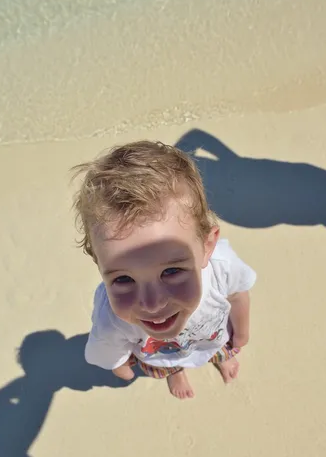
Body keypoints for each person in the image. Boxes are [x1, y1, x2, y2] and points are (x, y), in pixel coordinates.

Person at [72, 140, 256, 399]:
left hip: (212, 337)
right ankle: (177, 372)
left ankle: (220, 358)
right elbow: (109, 349)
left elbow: (238, 295)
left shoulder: (222, 267)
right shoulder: (109, 317)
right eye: (124, 278)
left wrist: (242, 334)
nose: (152, 303)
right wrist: (121, 367)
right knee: (171, 362)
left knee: (221, 347)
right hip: (161, 357)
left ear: (207, 246)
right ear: (100, 265)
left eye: (171, 272)